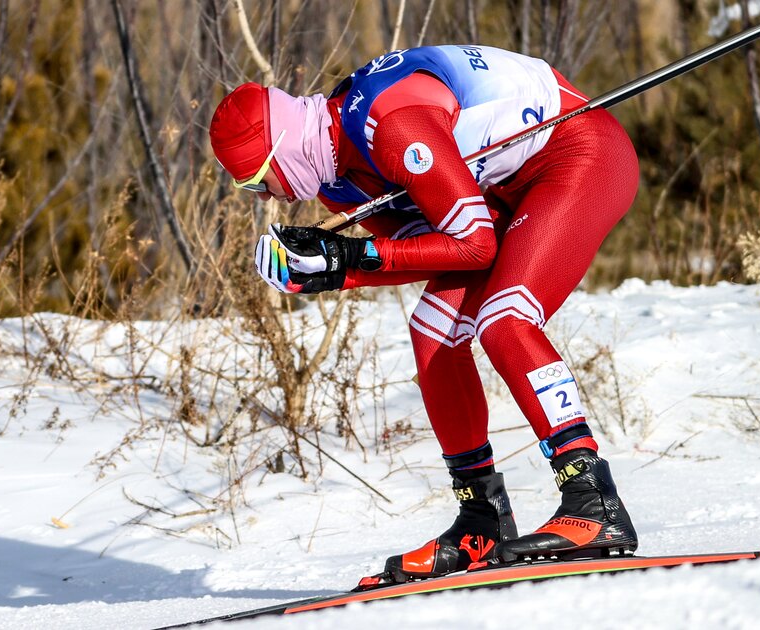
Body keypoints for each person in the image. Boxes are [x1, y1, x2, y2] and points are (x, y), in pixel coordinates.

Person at [208, 45, 639, 586]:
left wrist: (350, 259)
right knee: (433, 329)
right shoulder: (335, 177)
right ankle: (482, 519)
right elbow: (425, 245)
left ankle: (593, 500)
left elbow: (474, 245)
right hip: (502, 191)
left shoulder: (390, 124)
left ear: (281, 152)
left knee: (505, 318)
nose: (263, 199)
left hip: (577, 153)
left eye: (255, 182)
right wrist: (334, 270)